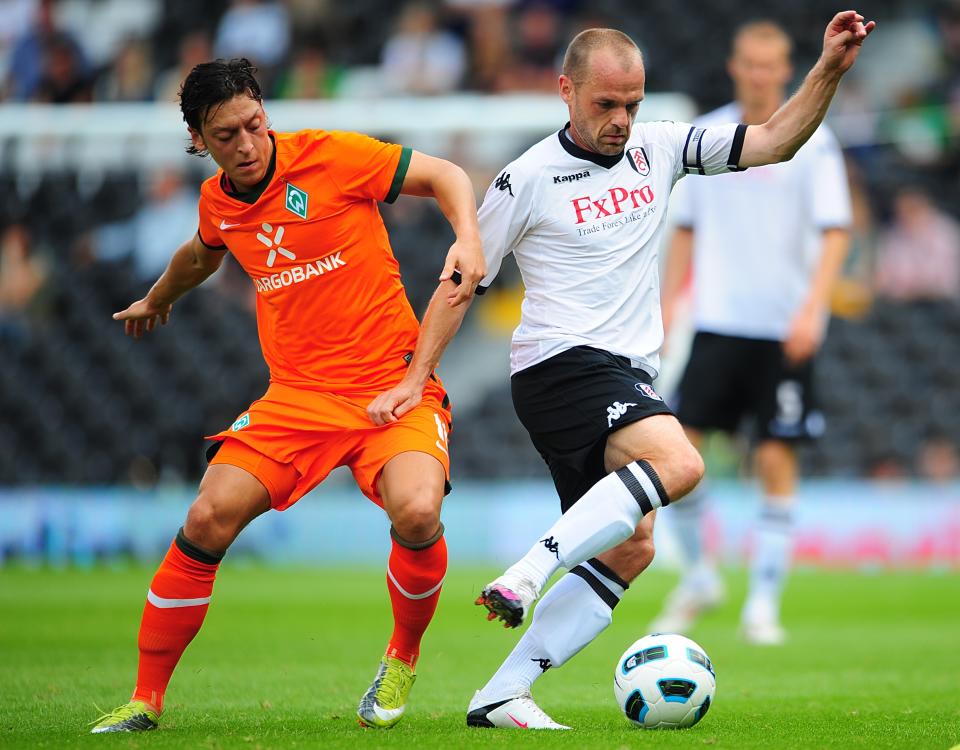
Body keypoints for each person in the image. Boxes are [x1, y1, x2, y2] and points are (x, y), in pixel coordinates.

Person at [383, 11, 874, 729]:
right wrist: (414, 377)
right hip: (559, 364)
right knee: (680, 462)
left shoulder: (663, 148)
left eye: (633, 104)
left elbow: (772, 141)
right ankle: (527, 570)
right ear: (566, 91)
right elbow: (462, 281)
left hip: (621, 369)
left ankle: (499, 696)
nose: (621, 119)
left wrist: (829, 66)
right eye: (606, 104)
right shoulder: (527, 179)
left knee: (636, 546)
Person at [90, 57, 485, 733]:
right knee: (208, 516)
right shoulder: (218, 201)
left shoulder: (333, 157)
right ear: (199, 141)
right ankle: (145, 701)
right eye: (225, 136)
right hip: (297, 399)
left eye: (253, 124)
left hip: (391, 384)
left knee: (418, 510)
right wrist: (157, 298)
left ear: (264, 112)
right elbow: (200, 253)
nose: (246, 144)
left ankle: (403, 655)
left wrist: (468, 238)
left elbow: (444, 174)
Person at [650, 21, 853, 645]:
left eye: (771, 65)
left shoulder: (816, 141)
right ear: (736, 66)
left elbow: (835, 229)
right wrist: (667, 306)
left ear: (786, 69)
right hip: (717, 321)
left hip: (781, 329)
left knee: (773, 456)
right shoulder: (708, 138)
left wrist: (811, 310)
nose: (760, 74)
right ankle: (703, 576)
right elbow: (683, 229)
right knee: (679, 455)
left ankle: (763, 603)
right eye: (750, 63)